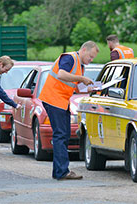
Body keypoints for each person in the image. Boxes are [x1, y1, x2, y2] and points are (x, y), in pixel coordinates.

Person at [39, 41, 99, 180]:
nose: (91, 60)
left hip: (60, 101)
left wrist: (89, 89)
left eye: (93, 58)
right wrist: (82, 78)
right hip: (54, 99)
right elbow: (61, 74)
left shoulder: (79, 65)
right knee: (61, 135)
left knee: (63, 135)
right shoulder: (70, 58)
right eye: (90, 56)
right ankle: (62, 172)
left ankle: (59, 171)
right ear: (84, 50)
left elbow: (74, 87)